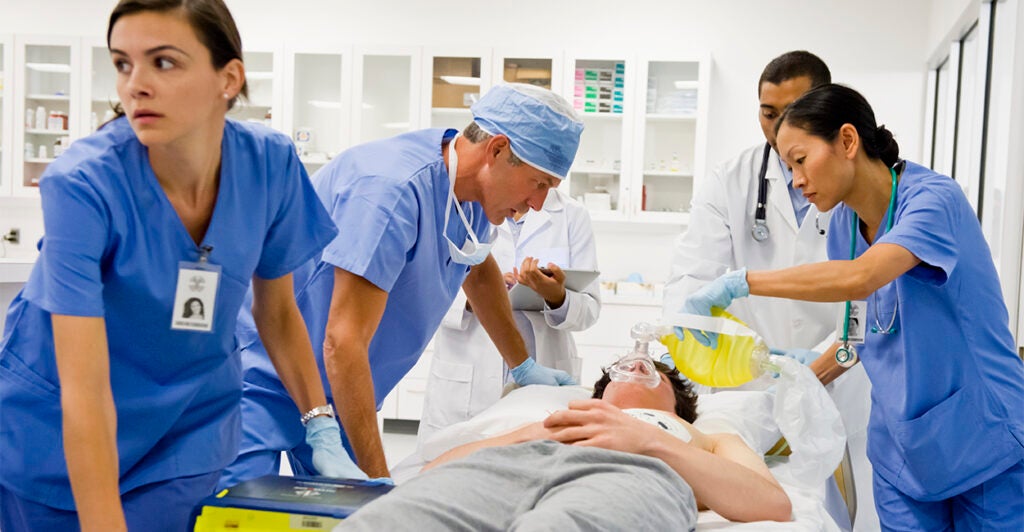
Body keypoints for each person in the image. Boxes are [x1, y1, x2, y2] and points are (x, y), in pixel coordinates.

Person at [0, 2, 345, 530]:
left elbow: (276, 311)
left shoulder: (269, 164)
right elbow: (85, 388)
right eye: (122, 63)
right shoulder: (84, 184)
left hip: (189, 428)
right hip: (58, 433)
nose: (135, 84)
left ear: (228, 78)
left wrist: (318, 422)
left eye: (163, 62)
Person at [685, 83, 1024, 530]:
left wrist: (743, 282)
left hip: (981, 439)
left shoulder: (933, 201)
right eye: (789, 167)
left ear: (847, 141)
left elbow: (862, 276)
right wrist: (802, 376)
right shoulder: (843, 224)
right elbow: (859, 331)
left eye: (801, 161)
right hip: (902, 451)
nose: (797, 180)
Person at [221, 83, 585, 487]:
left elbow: (478, 270)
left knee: (349, 518)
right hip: (263, 379)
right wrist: (380, 480)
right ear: (496, 150)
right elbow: (342, 341)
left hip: (343, 392)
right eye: (539, 184)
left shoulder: (472, 196)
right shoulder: (390, 191)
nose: (537, 204)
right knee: (238, 509)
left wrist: (523, 366)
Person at [664, 50, 876, 529]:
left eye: (796, 109)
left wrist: (821, 365)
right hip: (751, 381)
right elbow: (692, 277)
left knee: (854, 503)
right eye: (769, 112)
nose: (781, 124)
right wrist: (685, 341)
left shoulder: (856, 186)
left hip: (841, 374)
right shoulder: (731, 180)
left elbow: (868, 291)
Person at [338, 359, 792, 530]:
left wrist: (654, 442)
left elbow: (772, 504)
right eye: (623, 366)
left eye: (650, 369)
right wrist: (530, 434)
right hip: (521, 462)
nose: (635, 365)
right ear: (598, 395)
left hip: (636, 475)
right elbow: (431, 472)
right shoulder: (545, 421)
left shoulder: (706, 438)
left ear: (676, 402)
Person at [417, 187, 601, 445]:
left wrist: (556, 296)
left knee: (538, 466)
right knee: (454, 462)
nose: (540, 194)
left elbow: (589, 310)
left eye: (550, 182)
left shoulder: (571, 215)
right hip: (469, 375)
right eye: (538, 180)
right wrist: (482, 296)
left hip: (543, 371)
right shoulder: (461, 207)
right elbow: (425, 291)